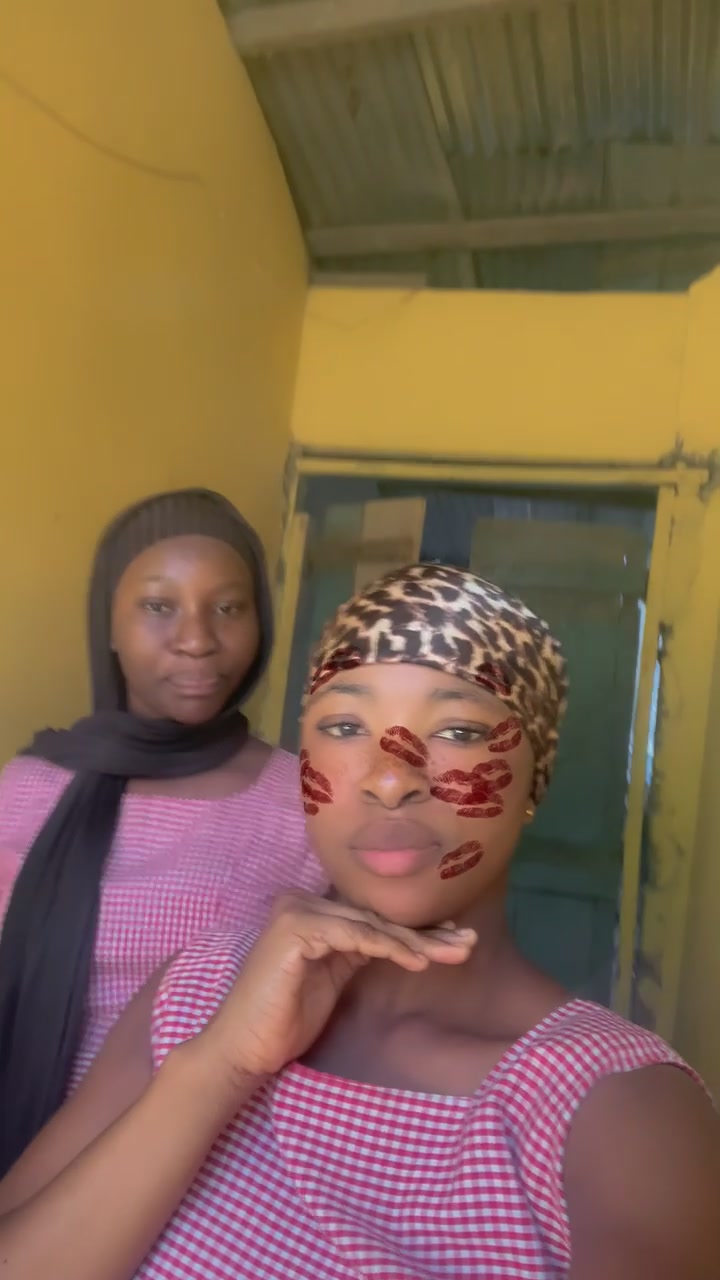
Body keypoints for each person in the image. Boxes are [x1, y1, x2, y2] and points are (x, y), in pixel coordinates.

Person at [0, 563, 718, 1280]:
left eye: (458, 728)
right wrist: (220, 1067)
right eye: (345, 726)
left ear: (536, 773)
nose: (390, 777)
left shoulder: (619, 1111)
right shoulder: (197, 991)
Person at [0, 488, 324, 1177]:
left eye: (228, 608)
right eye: (158, 606)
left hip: (198, 1175)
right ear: (109, 625)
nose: (198, 639)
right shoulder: (29, 786)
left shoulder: (302, 800)